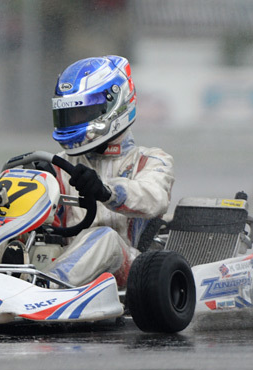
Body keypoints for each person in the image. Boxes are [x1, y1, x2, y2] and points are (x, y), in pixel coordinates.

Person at [45, 55, 175, 289]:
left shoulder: (151, 160)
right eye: (69, 115)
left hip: (133, 271)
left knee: (104, 237)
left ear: (113, 106)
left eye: (81, 114)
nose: (73, 122)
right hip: (64, 260)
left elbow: (154, 198)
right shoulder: (56, 165)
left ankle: (46, 289)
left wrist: (107, 192)